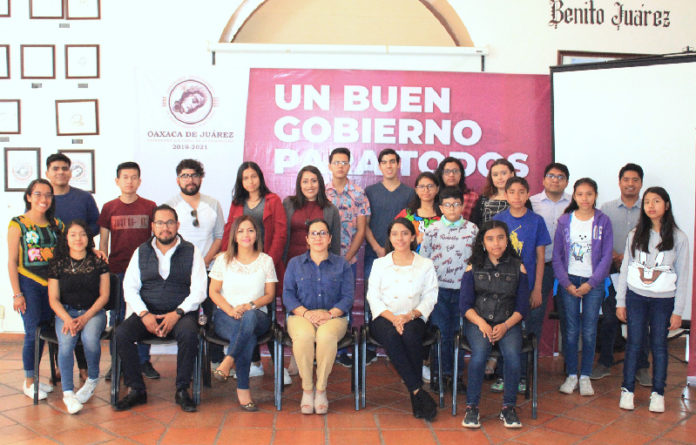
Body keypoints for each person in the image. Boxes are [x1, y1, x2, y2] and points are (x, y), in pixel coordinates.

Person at [115, 204, 207, 413]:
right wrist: (144, 314)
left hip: (181, 314)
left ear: (177, 225)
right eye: (160, 223)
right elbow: (129, 288)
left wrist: (178, 313)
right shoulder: (141, 251)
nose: (165, 227)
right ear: (152, 226)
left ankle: (182, 390)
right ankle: (136, 389)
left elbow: (200, 290)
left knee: (189, 333)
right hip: (147, 312)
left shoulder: (192, 251)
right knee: (122, 333)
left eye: (169, 222)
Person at [616, 187, 689, 413]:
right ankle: (627, 390)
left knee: (659, 346)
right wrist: (621, 301)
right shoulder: (635, 234)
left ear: (666, 205)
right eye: (647, 201)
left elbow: (684, 276)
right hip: (636, 298)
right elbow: (626, 269)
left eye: (656, 201)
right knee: (634, 344)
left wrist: (678, 311)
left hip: (663, 301)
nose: (651, 206)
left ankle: (658, 393)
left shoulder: (679, 237)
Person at [220, 161, 287, 381]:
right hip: (240, 264)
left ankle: (279, 367)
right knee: (246, 313)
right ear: (241, 181)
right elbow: (230, 230)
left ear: (260, 177)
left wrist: (267, 261)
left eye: (254, 176)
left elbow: (280, 232)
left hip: (266, 265)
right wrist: (224, 258)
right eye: (245, 178)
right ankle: (254, 362)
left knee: (266, 312)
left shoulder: (273, 200)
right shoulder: (237, 202)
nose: (250, 181)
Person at [366, 217, 439, 421]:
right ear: (389, 237)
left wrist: (409, 315)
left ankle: (416, 395)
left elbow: (430, 296)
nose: (400, 238)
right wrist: (394, 318)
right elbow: (373, 296)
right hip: (384, 316)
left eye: (405, 233)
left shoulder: (425, 264)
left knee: (410, 335)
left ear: (413, 236)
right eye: (395, 233)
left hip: (414, 315)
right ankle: (417, 391)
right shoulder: (380, 264)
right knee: (391, 336)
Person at [459, 220, 529, 429]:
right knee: (479, 356)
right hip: (478, 322)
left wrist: (506, 325)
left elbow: (522, 308)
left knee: (513, 358)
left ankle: (508, 407)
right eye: (490, 239)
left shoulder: (519, 267)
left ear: (507, 241)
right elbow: (465, 305)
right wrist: (481, 323)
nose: (496, 243)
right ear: (482, 242)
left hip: (508, 322)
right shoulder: (473, 267)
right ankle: (472, 408)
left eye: (500, 238)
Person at [282, 219, 354, 414]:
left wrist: (330, 314)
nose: (318, 237)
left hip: (334, 317)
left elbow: (348, 297)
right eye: (313, 233)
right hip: (301, 316)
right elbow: (287, 295)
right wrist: (306, 313)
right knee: (304, 336)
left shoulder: (342, 265)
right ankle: (307, 389)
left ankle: (321, 389)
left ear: (330, 238)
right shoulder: (295, 264)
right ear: (307, 239)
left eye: (323, 233)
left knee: (325, 336)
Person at [208, 216, 276, 411]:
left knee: (250, 318)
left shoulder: (266, 260)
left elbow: (270, 295)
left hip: (257, 314)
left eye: (250, 230)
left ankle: (228, 360)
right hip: (225, 316)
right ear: (234, 236)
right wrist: (230, 309)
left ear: (257, 234)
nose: (246, 234)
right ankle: (243, 390)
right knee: (247, 336)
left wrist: (249, 305)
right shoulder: (222, 259)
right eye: (241, 231)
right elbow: (213, 291)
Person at [552, 178, 613, 396]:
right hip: (569, 282)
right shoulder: (565, 221)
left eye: (589, 194)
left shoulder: (603, 221)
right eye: (580, 194)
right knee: (570, 331)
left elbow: (606, 256)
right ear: (574, 196)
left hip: (593, 284)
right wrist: (565, 283)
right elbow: (557, 256)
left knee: (589, 330)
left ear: (595, 195)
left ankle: (585, 375)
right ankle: (571, 375)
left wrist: (591, 283)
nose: (584, 198)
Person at [166, 159, 225, 379]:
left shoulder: (213, 203)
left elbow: (219, 236)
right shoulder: (170, 205)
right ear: (177, 179)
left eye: (194, 175)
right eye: (184, 175)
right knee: (186, 319)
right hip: (181, 272)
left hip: (210, 269)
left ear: (201, 178)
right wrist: (189, 263)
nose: (189, 180)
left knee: (212, 316)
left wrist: (205, 260)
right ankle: (188, 367)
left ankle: (216, 361)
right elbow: (167, 238)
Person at [98, 162, 156, 380]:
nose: (129, 181)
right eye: (125, 177)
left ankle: (143, 361)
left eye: (134, 177)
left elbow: (155, 240)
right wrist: (105, 272)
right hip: (117, 271)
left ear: (139, 181)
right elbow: (103, 242)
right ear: (117, 181)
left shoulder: (150, 206)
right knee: (118, 318)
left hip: (144, 273)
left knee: (144, 315)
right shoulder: (109, 207)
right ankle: (118, 362)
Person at [492, 177, 550, 393]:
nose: (517, 196)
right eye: (512, 192)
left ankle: (523, 376)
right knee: (504, 329)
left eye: (521, 192)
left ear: (528, 195)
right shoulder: (499, 220)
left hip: (529, 287)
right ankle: (503, 374)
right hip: (504, 288)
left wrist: (537, 288)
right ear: (505, 195)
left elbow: (540, 257)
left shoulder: (537, 221)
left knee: (527, 331)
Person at [594, 163, 651, 384]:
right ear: (619, 182)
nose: (630, 183)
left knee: (640, 319)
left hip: (640, 272)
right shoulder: (606, 208)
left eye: (635, 180)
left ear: (641, 183)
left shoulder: (648, 207)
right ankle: (605, 362)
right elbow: (599, 239)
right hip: (612, 271)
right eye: (626, 179)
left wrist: (630, 258)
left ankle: (642, 366)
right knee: (609, 318)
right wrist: (615, 255)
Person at [8, 179, 64, 400]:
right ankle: (30, 381)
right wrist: (17, 294)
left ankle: (43, 379)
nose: (44, 199)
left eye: (48, 195)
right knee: (33, 334)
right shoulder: (18, 224)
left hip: (54, 285)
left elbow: (73, 248)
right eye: (38, 194)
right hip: (30, 285)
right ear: (29, 196)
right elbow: (12, 261)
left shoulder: (57, 225)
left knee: (51, 332)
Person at [46, 152, 99, 381]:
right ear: (47, 172)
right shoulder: (45, 199)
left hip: (82, 260)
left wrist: (80, 241)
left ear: (71, 171)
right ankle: (60, 363)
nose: (60, 172)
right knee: (59, 313)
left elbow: (95, 224)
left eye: (64, 168)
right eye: (55, 168)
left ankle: (84, 367)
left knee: (80, 305)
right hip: (53, 262)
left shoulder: (83, 197)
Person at [48, 220, 109, 414]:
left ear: (88, 238)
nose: (78, 239)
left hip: (93, 313)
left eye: (82, 234)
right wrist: (67, 318)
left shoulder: (99, 261)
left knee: (90, 339)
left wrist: (85, 317)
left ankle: (91, 379)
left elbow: (104, 296)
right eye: (73, 234)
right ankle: (68, 393)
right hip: (66, 313)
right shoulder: (57, 264)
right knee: (66, 344)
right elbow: (53, 299)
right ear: (66, 238)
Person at [420, 187, 478, 392]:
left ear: (462, 206)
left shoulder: (472, 229)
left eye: (456, 204)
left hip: (464, 291)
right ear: (440, 207)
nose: (452, 208)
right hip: (439, 291)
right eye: (447, 205)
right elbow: (424, 261)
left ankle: (455, 376)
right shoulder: (432, 229)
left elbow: (477, 261)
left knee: (458, 334)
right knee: (440, 333)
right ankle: (438, 375)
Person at [364, 149, 415, 364]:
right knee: (373, 296)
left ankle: (399, 339)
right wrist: (377, 247)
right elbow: (364, 224)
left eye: (392, 162)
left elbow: (411, 225)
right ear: (380, 166)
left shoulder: (409, 193)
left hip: (401, 254)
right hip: (375, 253)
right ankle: (370, 345)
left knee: (402, 294)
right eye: (384, 162)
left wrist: (398, 250)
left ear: (398, 164)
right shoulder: (370, 191)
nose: (388, 166)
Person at [326, 148, 370, 367]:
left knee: (346, 304)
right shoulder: (322, 192)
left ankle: (343, 349)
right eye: (336, 162)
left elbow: (361, 230)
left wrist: (346, 258)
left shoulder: (358, 193)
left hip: (348, 261)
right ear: (330, 166)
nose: (341, 166)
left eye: (344, 162)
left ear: (349, 165)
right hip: (323, 262)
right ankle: (324, 348)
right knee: (324, 302)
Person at [529, 163, 571, 359]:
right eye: (551, 175)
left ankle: (570, 366)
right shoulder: (532, 202)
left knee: (568, 316)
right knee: (535, 315)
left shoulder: (575, 203)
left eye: (560, 176)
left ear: (567, 182)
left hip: (569, 268)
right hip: (541, 267)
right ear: (544, 179)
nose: (555, 179)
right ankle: (531, 363)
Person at [283, 165, 341, 262]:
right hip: (291, 261)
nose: (310, 186)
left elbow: (335, 244)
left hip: (320, 263)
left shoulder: (331, 210)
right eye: (305, 182)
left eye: (314, 181)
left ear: (320, 184)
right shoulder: (288, 204)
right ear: (299, 184)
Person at [395, 171, 441, 252]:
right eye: (422, 186)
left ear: (437, 189)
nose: (426, 190)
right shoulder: (406, 214)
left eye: (430, 186)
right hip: (410, 261)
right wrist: (415, 241)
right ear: (416, 190)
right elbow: (394, 239)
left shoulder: (445, 215)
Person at [470, 158, 515, 227]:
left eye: (503, 173)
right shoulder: (483, 199)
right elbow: (474, 225)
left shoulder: (521, 198)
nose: (500, 178)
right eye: (495, 175)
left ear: (512, 174)